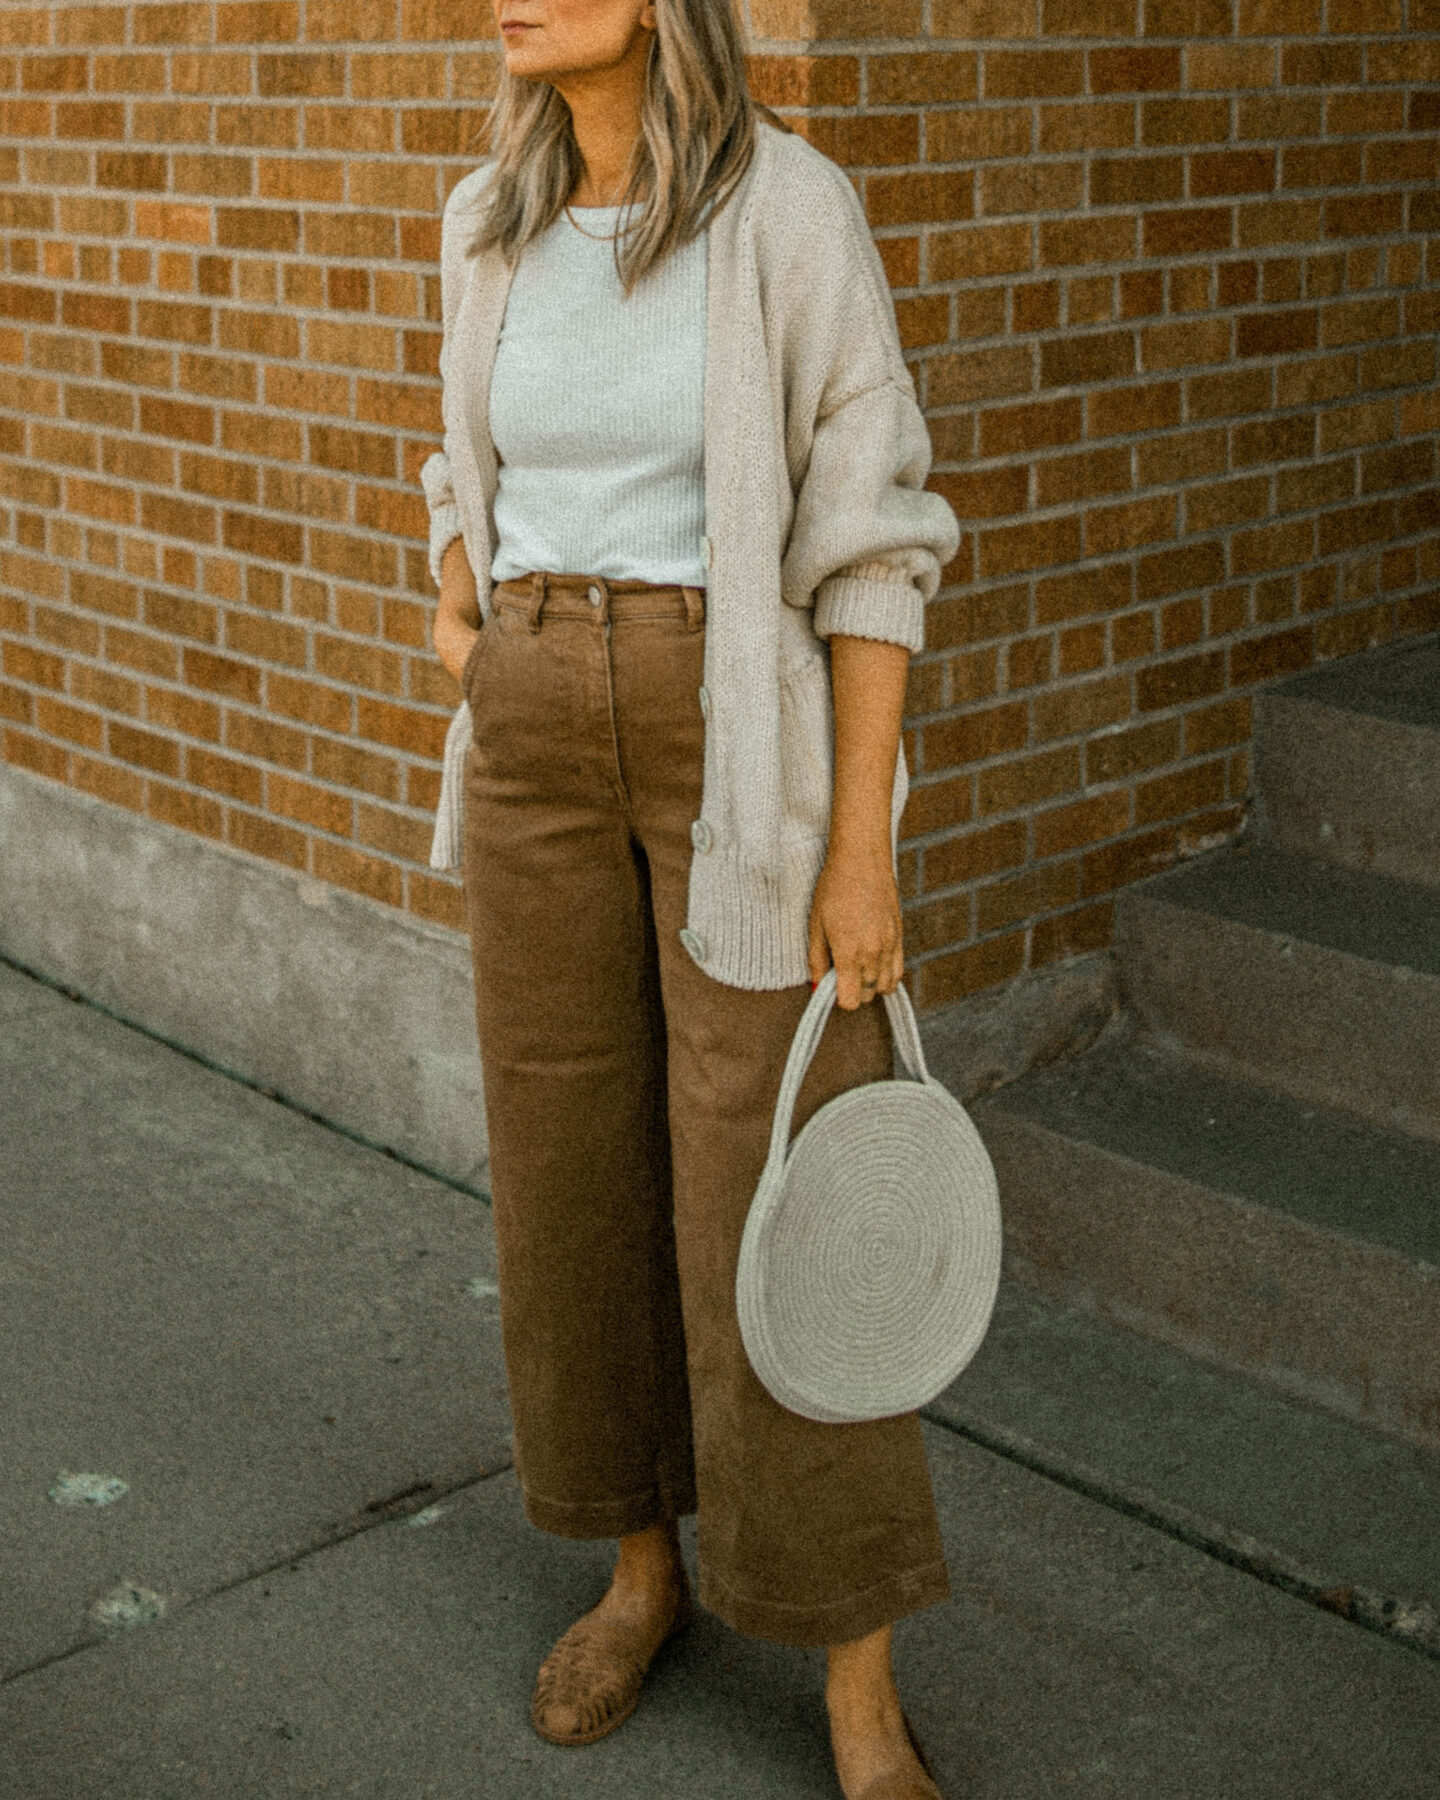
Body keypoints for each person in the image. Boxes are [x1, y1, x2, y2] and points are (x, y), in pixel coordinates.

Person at [421, 4, 961, 1795]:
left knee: (780, 1186)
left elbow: (872, 531)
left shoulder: (787, 214)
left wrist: (861, 848)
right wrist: (462, 596)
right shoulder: (481, 226)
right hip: (535, 732)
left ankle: (852, 1666)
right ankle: (642, 1567)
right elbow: (464, 465)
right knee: (573, 1171)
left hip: (735, 745)